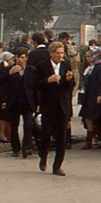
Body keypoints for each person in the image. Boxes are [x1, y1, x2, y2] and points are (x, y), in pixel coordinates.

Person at [33, 41, 75, 176]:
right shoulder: (42, 67)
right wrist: (48, 80)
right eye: (57, 53)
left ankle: (57, 166)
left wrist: (68, 80)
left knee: (62, 138)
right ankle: (43, 155)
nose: (60, 56)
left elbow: (70, 87)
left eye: (62, 53)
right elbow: (35, 84)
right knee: (46, 135)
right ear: (51, 53)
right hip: (48, 106)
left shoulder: (66, 65)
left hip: (62, 106)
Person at [5, 50, 34, 158]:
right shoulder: (11, 69)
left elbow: (35, 87)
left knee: (28, 126)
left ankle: (26, 148)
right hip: (14, 102)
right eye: (18, 57)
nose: (20, 60)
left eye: (22, 57)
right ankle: (15, 148)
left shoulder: (31, 70)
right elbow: (1, 81)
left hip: (27, 102)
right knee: (14, 127)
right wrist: (10, 73)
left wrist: (37, 102)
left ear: (26, 58)